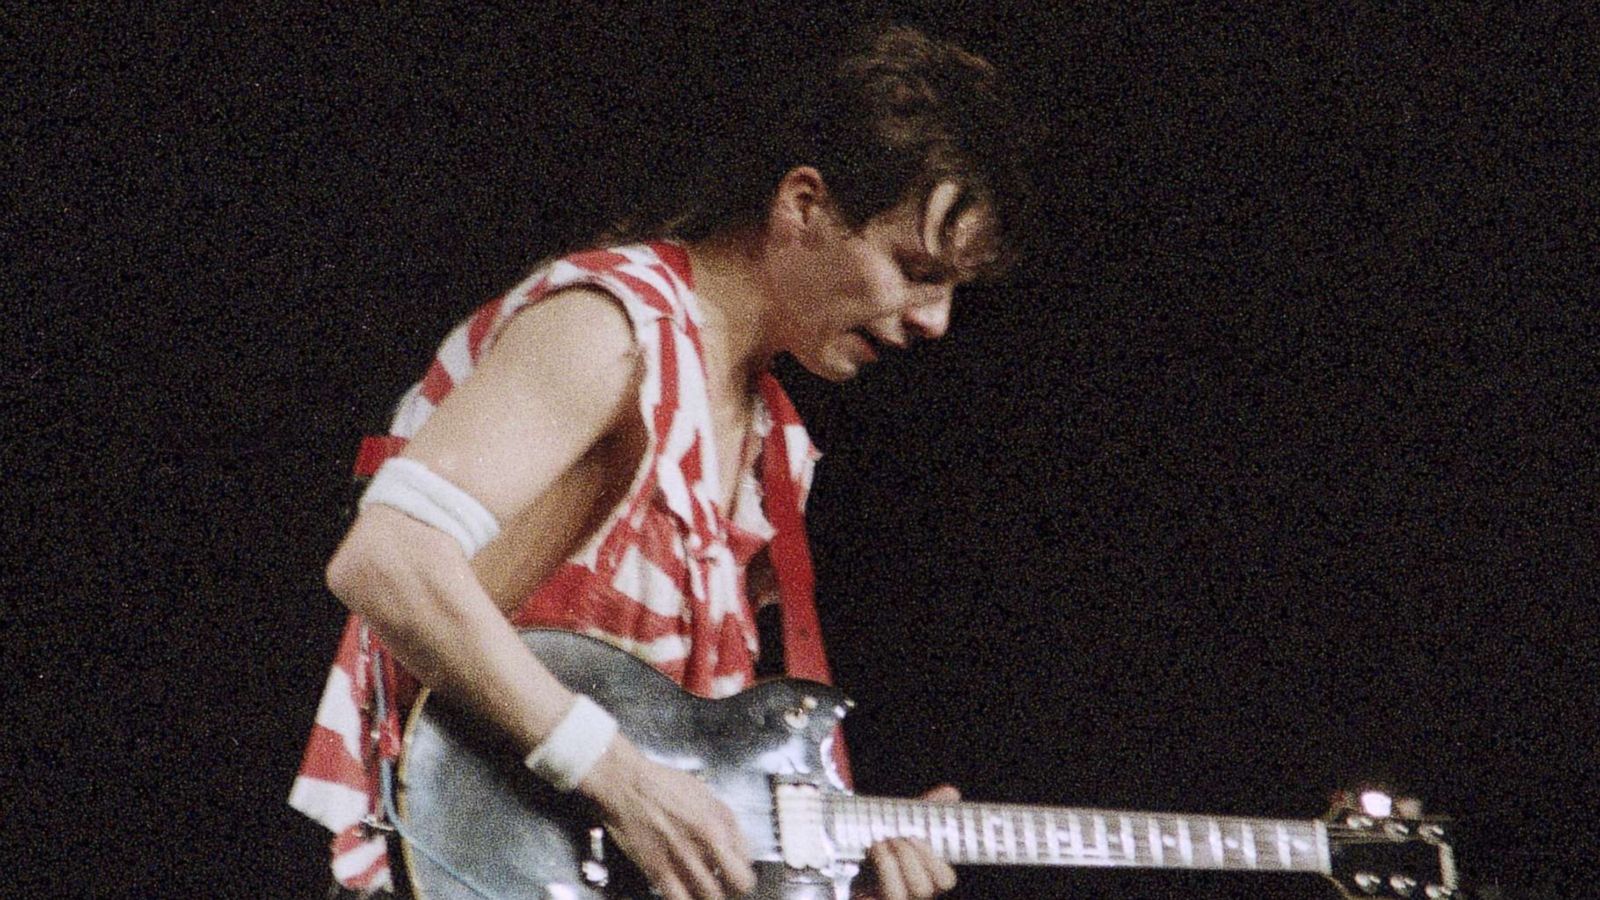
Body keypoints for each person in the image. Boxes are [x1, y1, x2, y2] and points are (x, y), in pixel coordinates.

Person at [292, 23, 1024, 900]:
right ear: (802, 206)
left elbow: (676, 784)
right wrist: (621, 777)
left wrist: (829, 876)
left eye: (950, 290)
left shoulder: (773, 446)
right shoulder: (613, 331)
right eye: (912, 267)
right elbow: (387, 562)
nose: (932, 320)